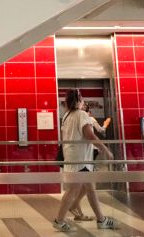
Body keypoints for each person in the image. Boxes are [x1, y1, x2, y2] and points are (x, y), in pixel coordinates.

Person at [53, 90, 115, 232]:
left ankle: (101, 219)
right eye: (82, 98)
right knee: (73, 190)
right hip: (81, 160)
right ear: (78, 100)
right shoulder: (81, 115)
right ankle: (59, 220)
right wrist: (106, 149)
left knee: (89, 188)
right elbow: (90, 135)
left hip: (73, 158)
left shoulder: (67, 116)